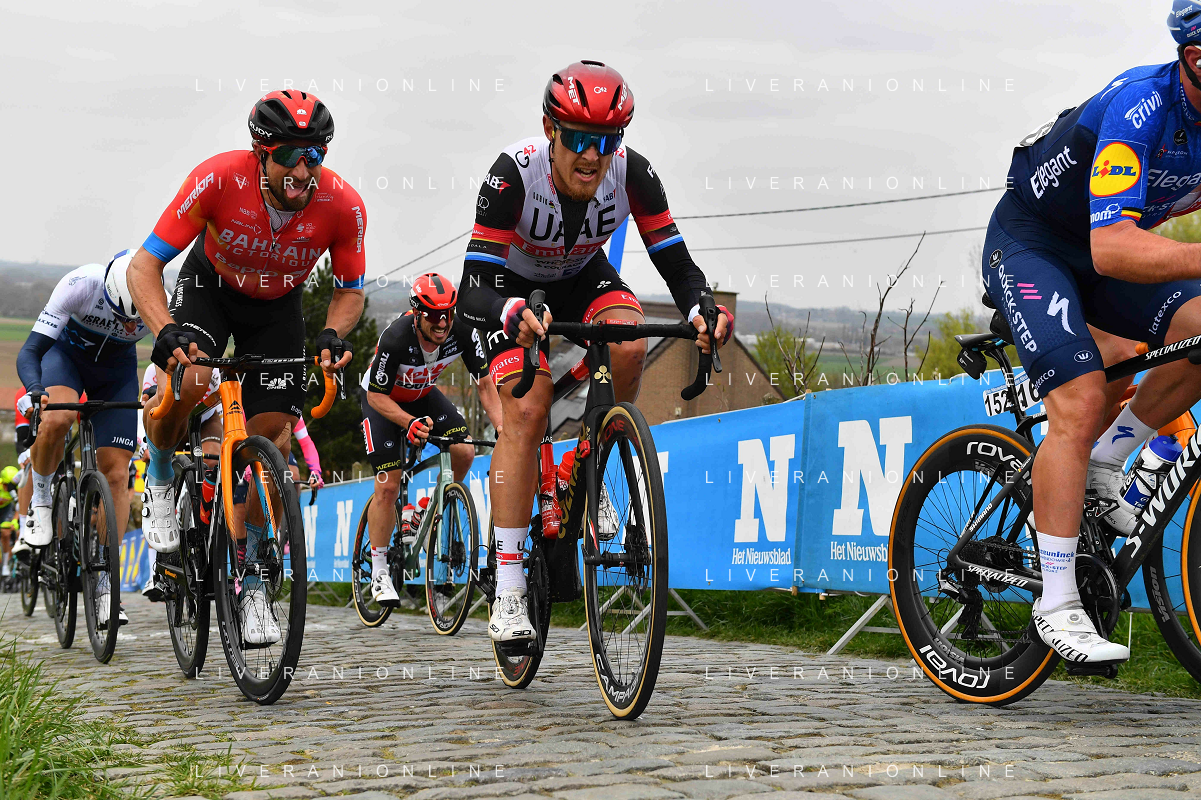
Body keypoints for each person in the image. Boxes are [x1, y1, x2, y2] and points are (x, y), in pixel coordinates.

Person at [458, 61, 732, 642]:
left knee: (629, 343)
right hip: (507, 290)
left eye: (607, 141)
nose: (592, 156)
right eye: (579, 139)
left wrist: (702, 309)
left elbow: (677, 263)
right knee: (529, 408)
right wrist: (511, 314)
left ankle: (588, 465)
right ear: (550, 130)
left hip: (580, 276)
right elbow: (474, 285)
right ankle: (508, 584)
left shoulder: (633, 173)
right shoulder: (513, 175)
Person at [977, 1, 1201, 665]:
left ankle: (1109, 456)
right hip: (1035, 243)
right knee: (1077, 398)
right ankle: (1054, 601)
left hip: (1106, 257)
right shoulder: (1141, 107)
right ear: (1192, 57)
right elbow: (1111, 249)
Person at [128, 89, 365, 646]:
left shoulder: (343, 205)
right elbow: (144, 266)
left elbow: (349, 290)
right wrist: (164, 330)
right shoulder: (217, 179)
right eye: (290, 155)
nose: (304, 169)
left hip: (277, 309)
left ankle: (253, 582)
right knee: (190, 380)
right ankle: (159, 474)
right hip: (209, 289)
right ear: (261, 152)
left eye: (315, 155)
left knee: (273, 440)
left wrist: (333, 333)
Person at [14, 251, 155, 628]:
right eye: (120, 316)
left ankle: (106, 585)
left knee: (117, 474)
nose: (128, 324)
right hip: (65, 361)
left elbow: (166, 357)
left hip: (117, 373)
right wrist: (35, 389)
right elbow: (31, 351)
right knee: (58, 419)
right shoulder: (81, 285)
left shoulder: (157, 295)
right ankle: (41, 497)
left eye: (134, 320)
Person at [360, 273, 502, 605]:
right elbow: (377, 395)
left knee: (464, 451)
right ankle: (379, 570)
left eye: (447, 314)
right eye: (433, 315)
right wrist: (408, 422)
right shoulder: (396, 337)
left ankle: (424, 513)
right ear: (417, 313)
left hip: (423, 395)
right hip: (382, 402)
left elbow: (485, 384)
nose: (442, 323)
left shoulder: (463, 331)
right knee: (388, 485)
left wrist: (502, 427)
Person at [0, 466, 19, 581]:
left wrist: (14, 521)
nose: (9, 488)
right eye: (7, 485)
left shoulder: (17, 489)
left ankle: (6, 565)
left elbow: (19, 506)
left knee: (6, 532)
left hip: (7, 510)